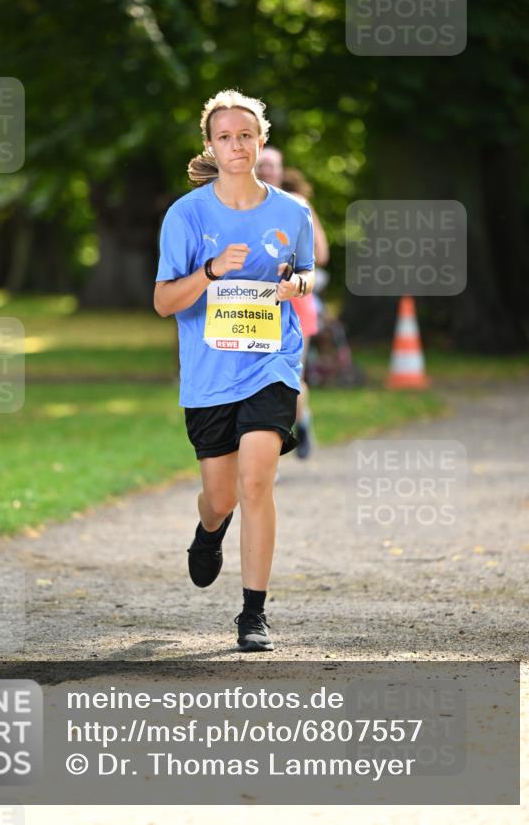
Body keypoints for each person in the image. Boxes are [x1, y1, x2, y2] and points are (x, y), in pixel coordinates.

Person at [154, 90, 315, 652]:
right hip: (209, 374)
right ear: (211, 146)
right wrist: (211, 271)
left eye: (246, 135)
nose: (237, 145)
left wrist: (296, 286)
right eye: (225, 137)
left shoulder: (292, 212)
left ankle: (254, 614)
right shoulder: (187, 214)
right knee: (221, 497)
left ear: (261, 141)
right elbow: (164, 302)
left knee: (256, 481)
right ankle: (209, 528)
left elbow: (306, 273)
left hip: (272, 364)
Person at [256, 148, 329, 458]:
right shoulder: (243, 204)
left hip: (295, 302)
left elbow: (321, 255)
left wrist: (292, 264)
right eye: (261, 165)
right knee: (259, 376)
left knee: (291, 374)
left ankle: (303, 422)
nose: (266, 170)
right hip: (256, 303)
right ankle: (264, 444)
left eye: (271, 166)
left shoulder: (297, 204)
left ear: (281, 170)